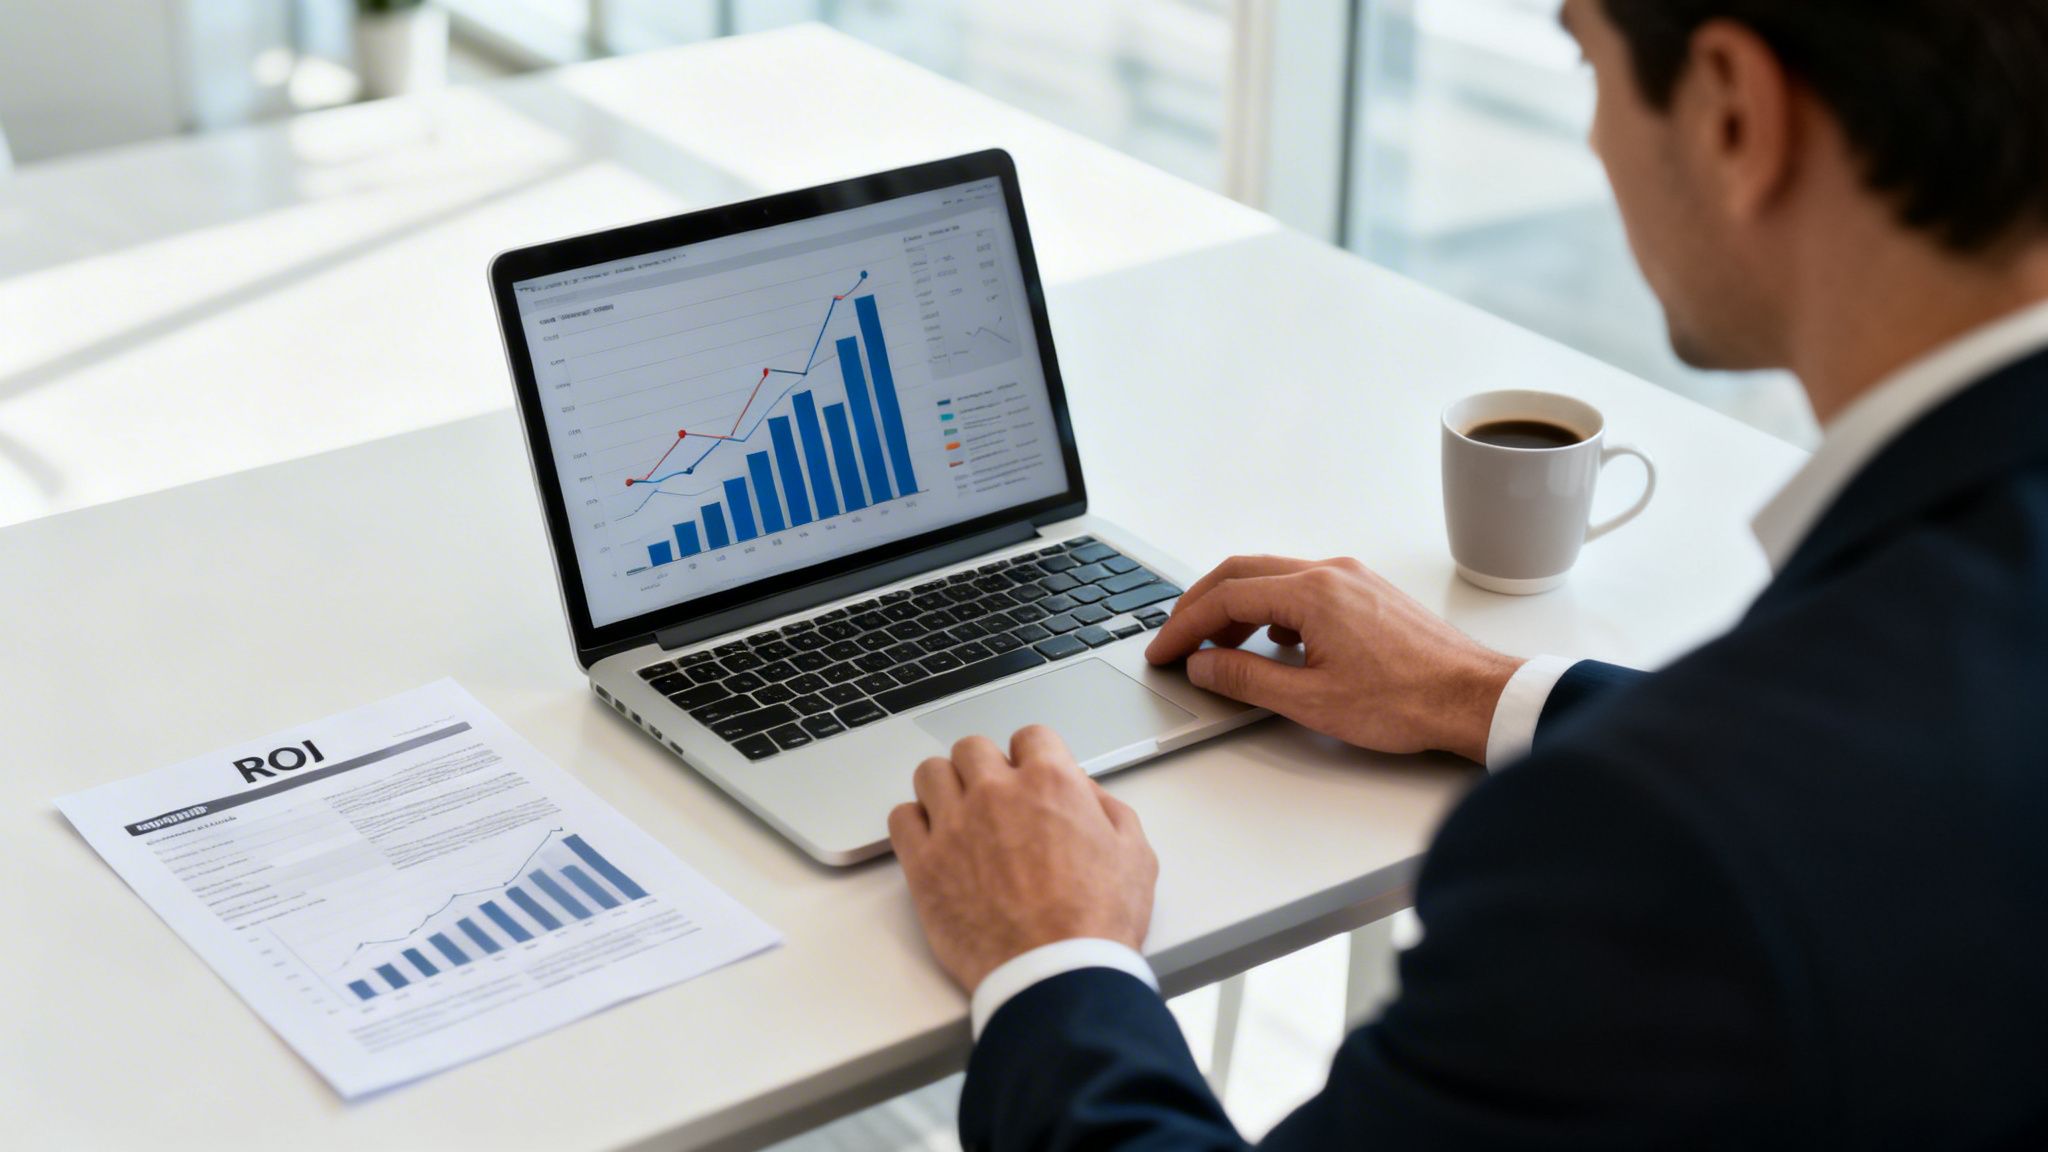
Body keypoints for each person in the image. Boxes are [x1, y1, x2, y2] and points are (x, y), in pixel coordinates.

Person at [887, 0, 2048, 1146]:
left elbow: (1773, 812)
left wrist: (1049, 957)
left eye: (1586, 65)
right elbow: (1880, 775)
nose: (1594, 142)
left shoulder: (1645, 850)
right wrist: (1479, 691)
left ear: (1733, 113)